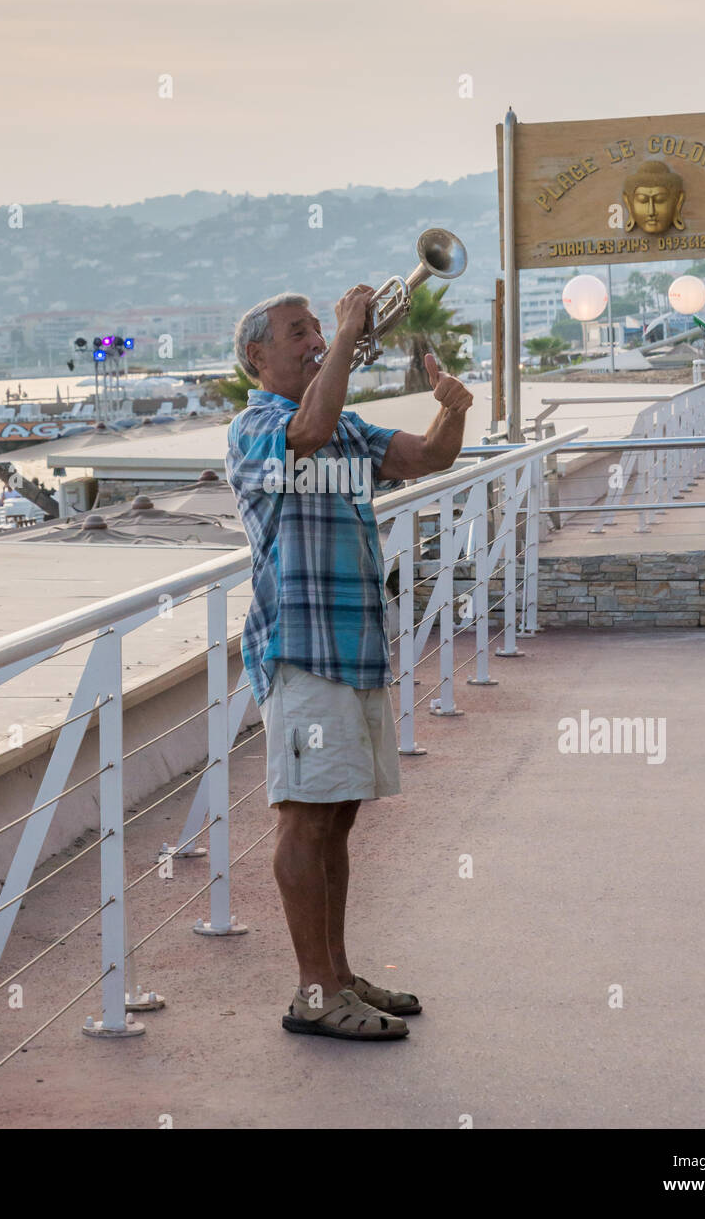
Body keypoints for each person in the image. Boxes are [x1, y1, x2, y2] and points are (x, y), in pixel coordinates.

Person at [226, 285, 474, 1042]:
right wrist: (342, 335)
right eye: (296, 334)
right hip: (300, 651)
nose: (313, 342)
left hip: (354, 649)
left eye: (316, 330)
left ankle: (336, 974)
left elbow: (427, 457)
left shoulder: (346, 429)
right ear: (256, 357)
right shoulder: (257, 426)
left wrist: (453, 409)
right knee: (304, 821)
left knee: (335, 820)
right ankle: (311, 992)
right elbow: (307, 429)